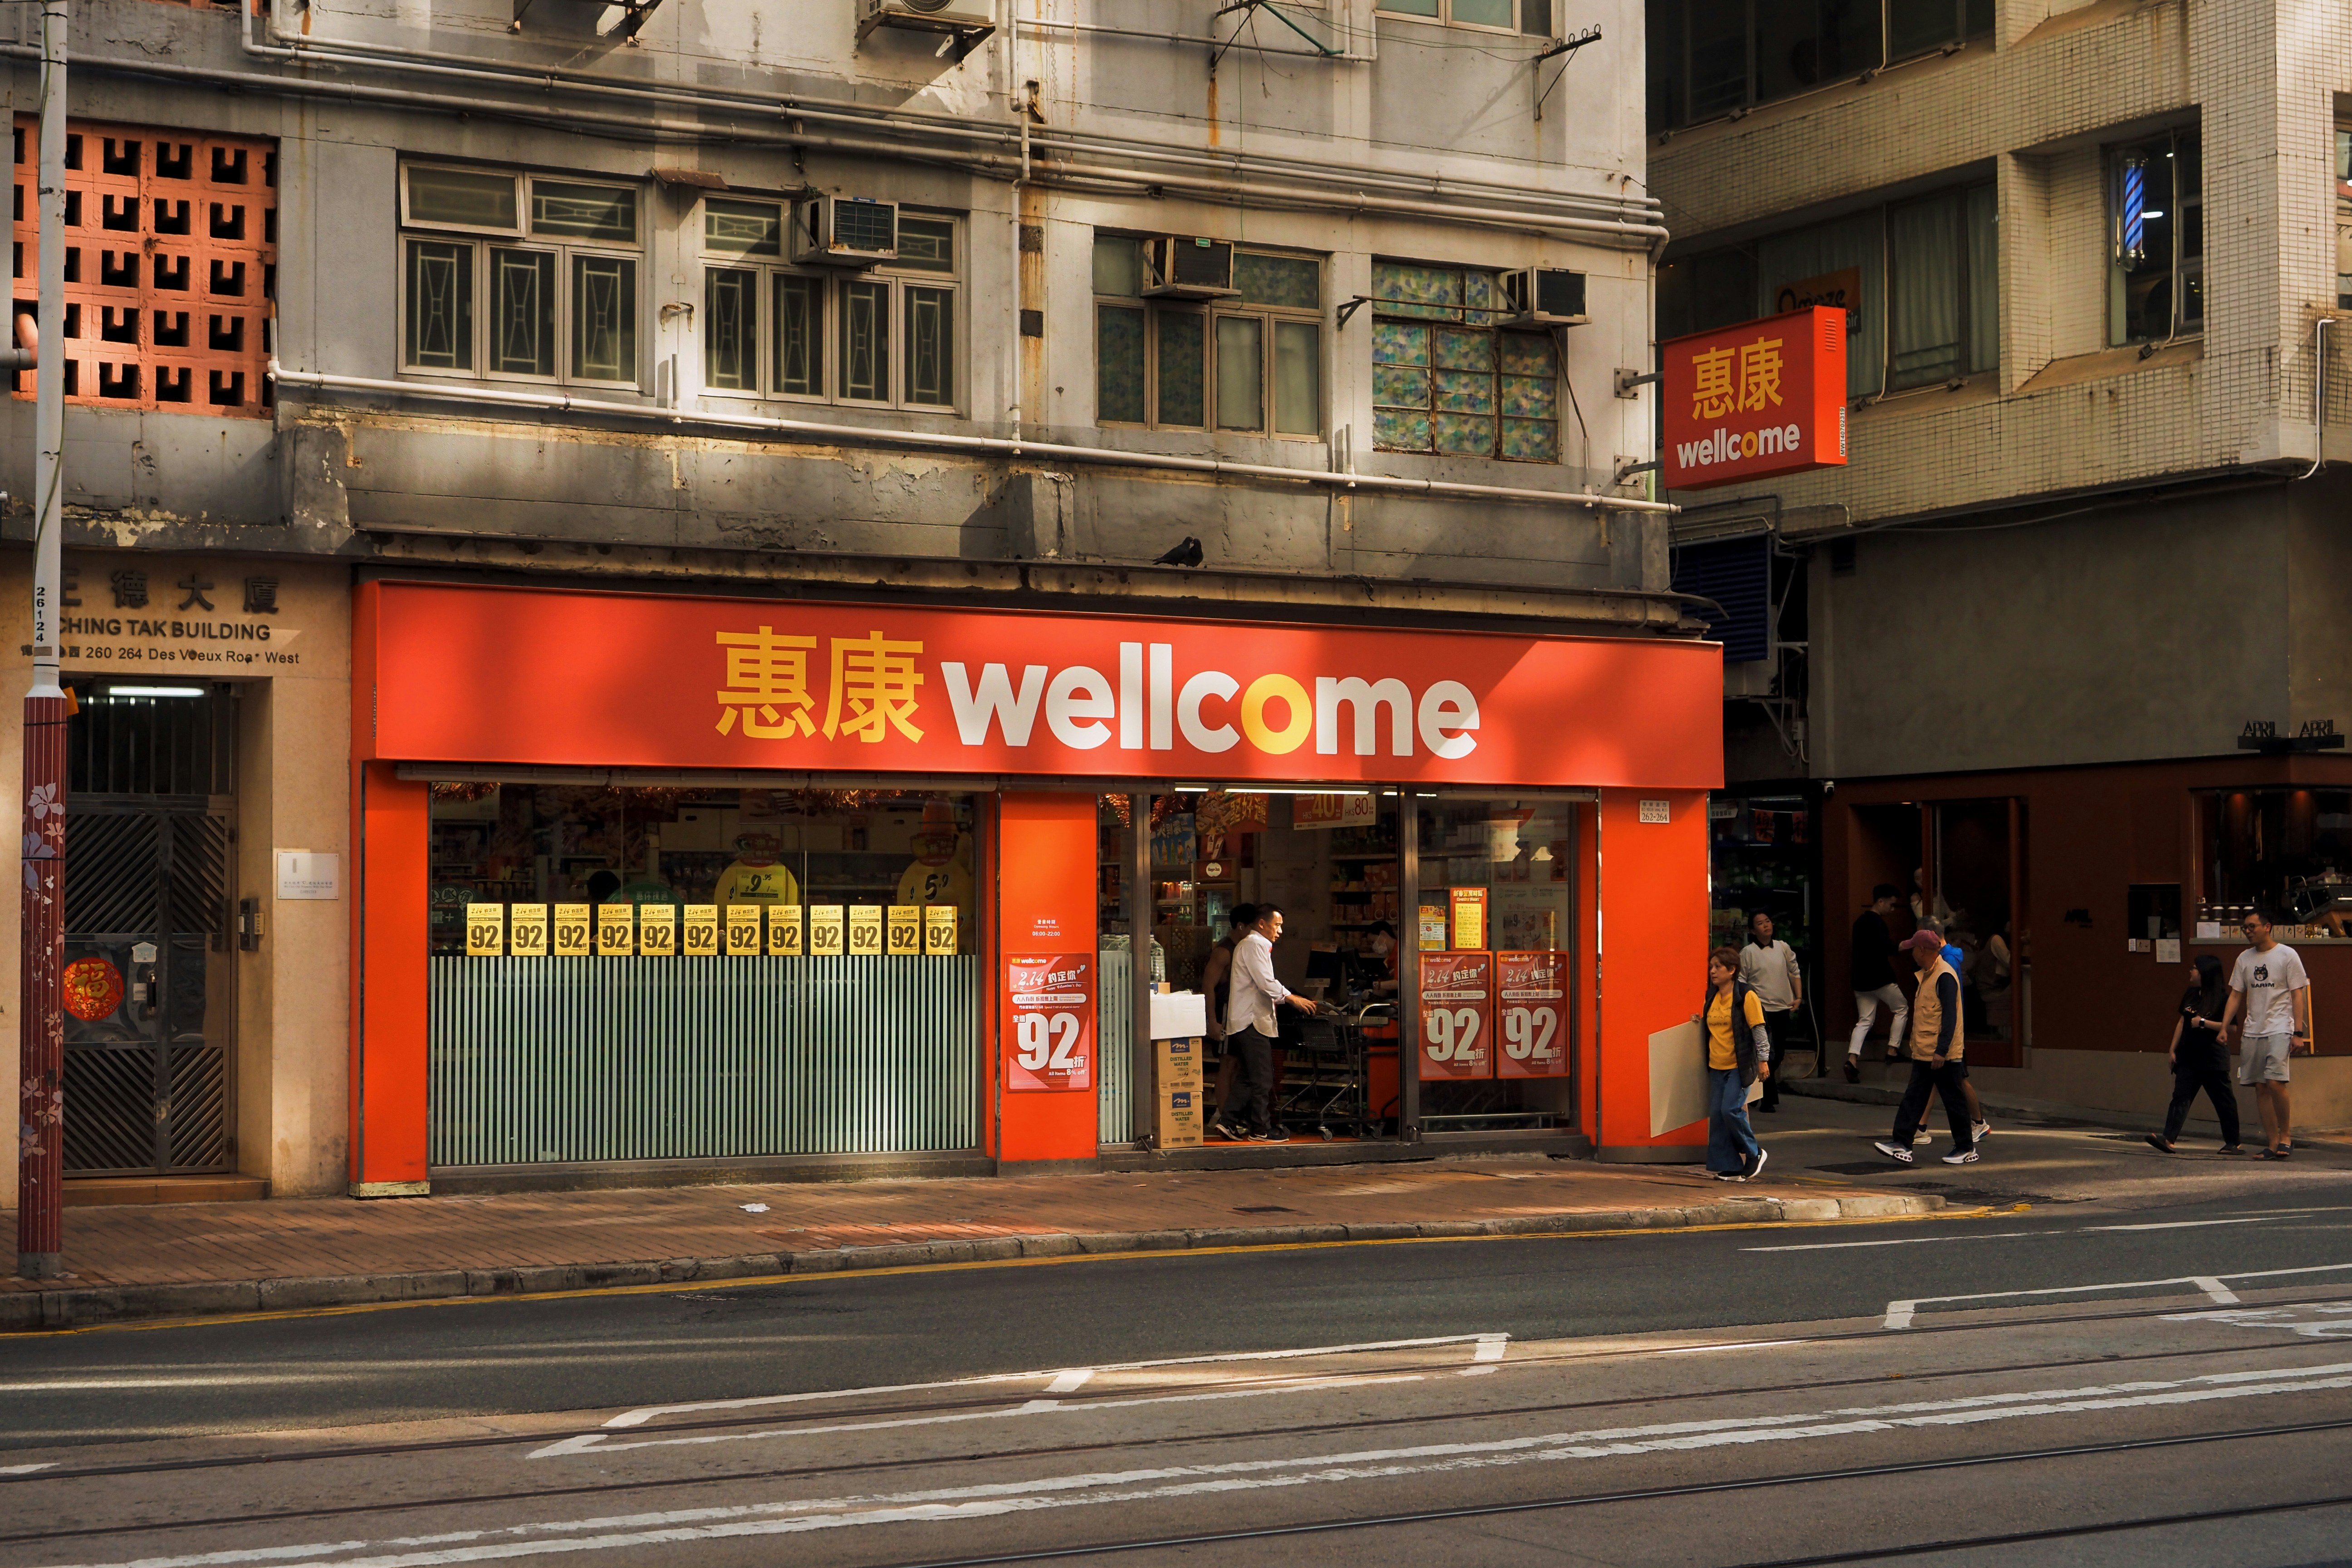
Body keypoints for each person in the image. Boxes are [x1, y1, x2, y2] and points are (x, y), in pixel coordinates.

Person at [1211, 903, 1316, 1142]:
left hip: (1246, 1020)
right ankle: (1261, 1128)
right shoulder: (1256, 944)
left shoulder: (1251, 945)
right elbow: (1266, 982)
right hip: (1251, 1021)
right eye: (1277, 925)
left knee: (1249, 1076)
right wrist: (1292, 998)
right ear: (1262, 924)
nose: (1280, 931)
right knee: (1263, 1078)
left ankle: (1228, 1122)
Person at [1874, 928, 1977, 1165]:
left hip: (1942, 1054)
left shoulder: (1944, 976)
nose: (1911, 953)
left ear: (1922, 950)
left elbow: (1950, 1017)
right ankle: (1901, 1143)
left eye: (1913, 949)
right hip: (1926, 1051)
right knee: (1915, 1097)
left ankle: (1965, 1147)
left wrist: (1941, 1050)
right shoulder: (1930, 974)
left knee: (1953, 1100)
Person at [2219, 911, 2312, 1159]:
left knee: (2275, 1082)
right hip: (2253, 1029)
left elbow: (2298, 994)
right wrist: (2223, 1027)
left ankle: (2286, 1136)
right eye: (2244, 928)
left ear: (2267, 927)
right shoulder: (2244, 959)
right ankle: (2272, 1143)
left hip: (2280, 1026)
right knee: (2260, 1086)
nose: (2247, 931)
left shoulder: (2287, 955)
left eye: (2252, 926)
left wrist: (2298, 1033)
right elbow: (2236, 994)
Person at [2147, 953, 2242, 1154]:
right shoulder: (2191, 994)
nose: (2191, 971)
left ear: (2206, 973)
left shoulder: (2222, 999)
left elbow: (2232, 1028)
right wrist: (2173, 1049)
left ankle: (2233, 1142)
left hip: (2213, 1059)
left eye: (2195, 968)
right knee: (2180, 1097)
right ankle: (2168, 1138)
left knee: (2223, 1101)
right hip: (2189, 1056)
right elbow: (2182, 1021)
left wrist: (2203, 1023)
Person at [1695, 946, 1771, 1181]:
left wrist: (1763, 1061)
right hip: (1716, 1065)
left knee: (1731, 1110)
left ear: (1732, 970)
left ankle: (1754, 1152)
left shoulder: (1746, 996)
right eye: (1711, 967)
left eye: (1718, 967)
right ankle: (1730, 1164)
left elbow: (1758, 1029)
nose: (1713, 971)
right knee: (1717, 1115)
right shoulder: (1712, 996)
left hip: (1740, 1065)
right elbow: (1712, 1026)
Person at [1200, 903, 1255, 1137]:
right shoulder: (1225, 951)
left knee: (1239, 1066)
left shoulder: (1246, 949)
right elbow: (1208, 987)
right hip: (1225, 1013)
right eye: (1253, 928)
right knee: (1227, 1064)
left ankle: (1230, 1115)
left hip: (1241, 1014)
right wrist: (1212, 1021)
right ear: (1241, 926)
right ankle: (1225, 1117)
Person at [1738, 912, 1801, 1111]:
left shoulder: (1783, 947)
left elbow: (1794, 972)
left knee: (1779, 1053)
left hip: (1782, 1007)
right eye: (1760, 923)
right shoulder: (1748, 952)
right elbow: (1741, 981)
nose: (1766, 926)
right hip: (1761, 1009)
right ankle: (1767, 1099)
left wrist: (1798, 997)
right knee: (1768, 1053)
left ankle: (1757, 1090)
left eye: (1767, 921)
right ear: (1752, 930)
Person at [1848, 884, 1909, 1082]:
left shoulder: (1859, 923)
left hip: (1860, 980)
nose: (1892, 909)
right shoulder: (1878, 924)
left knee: (1865, 1021)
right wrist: (1910, 943)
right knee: (1902, 1008)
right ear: (1880, 902)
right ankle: (1892, 1049)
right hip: (1880, 978)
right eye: (1891, 904)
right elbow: (1888, 949)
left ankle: (1852, 1060)